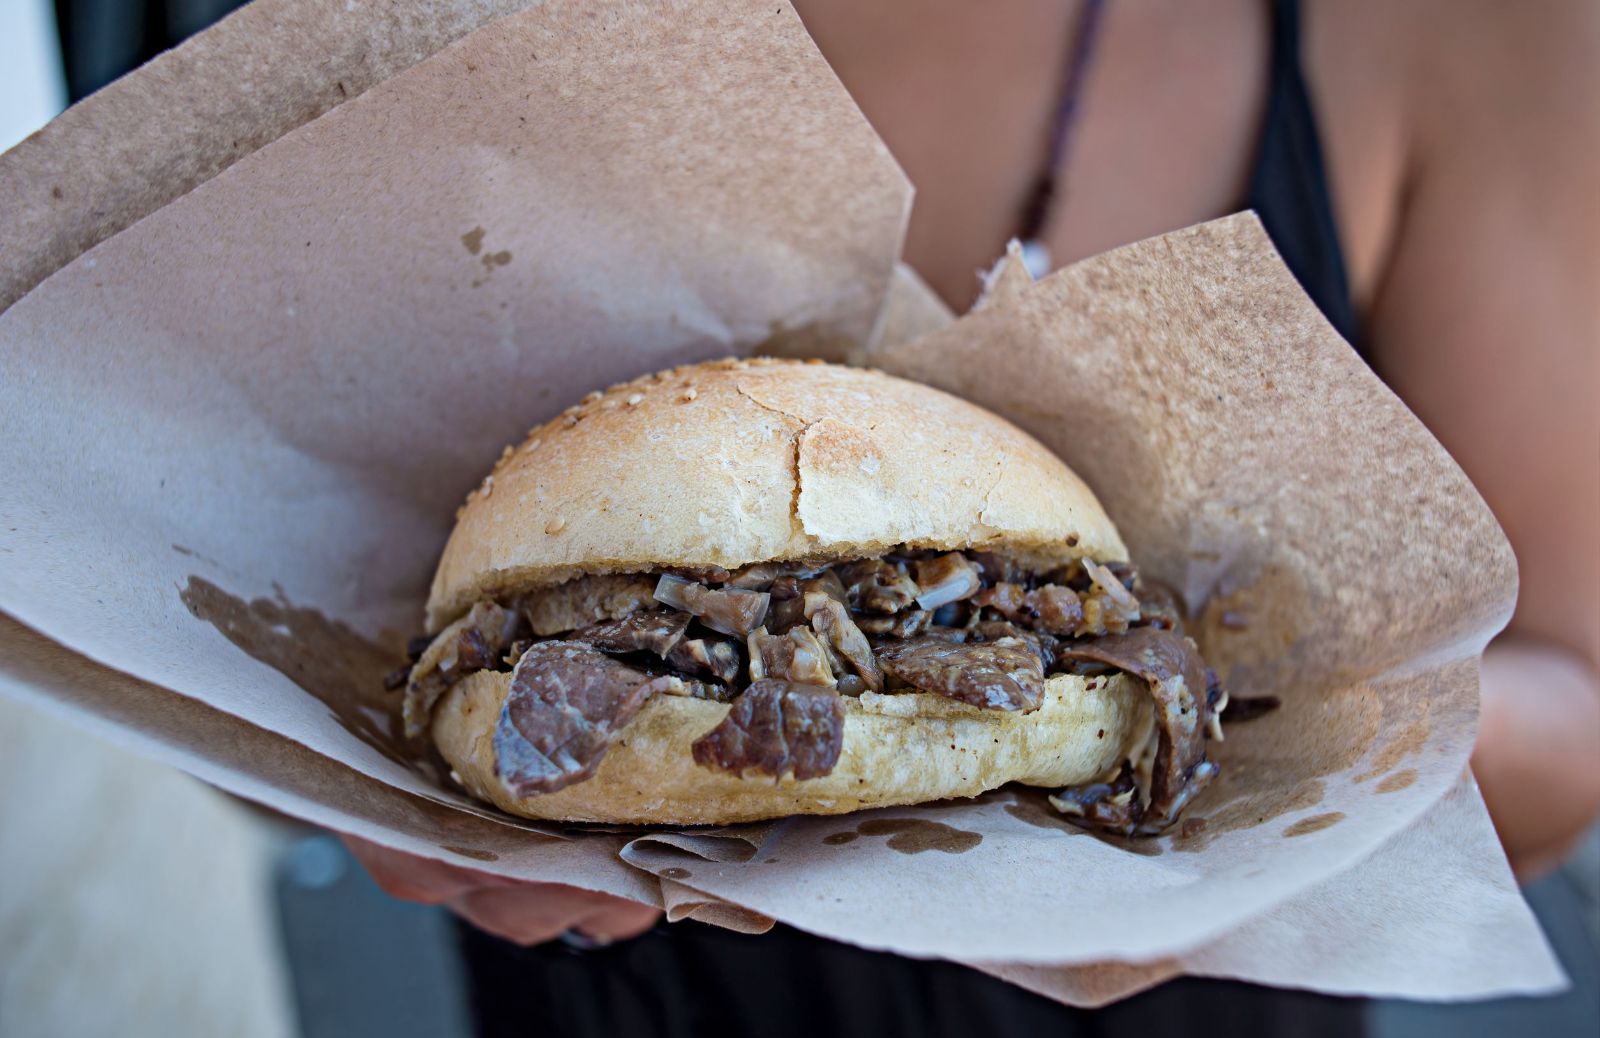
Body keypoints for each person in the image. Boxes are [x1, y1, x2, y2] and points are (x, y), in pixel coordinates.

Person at [347, 0, 1600, 1032]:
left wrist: (1229, 752)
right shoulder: (429, 32)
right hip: (623, 992)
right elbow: (249, 618)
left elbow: (1573, 733)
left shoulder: (1468, 36)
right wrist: (364, 804)